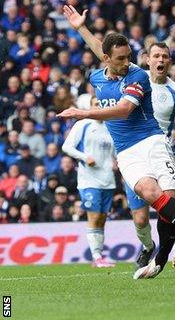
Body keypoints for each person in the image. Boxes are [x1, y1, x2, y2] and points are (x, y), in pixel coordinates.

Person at [58, 6, 175, 280]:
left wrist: (83, 112)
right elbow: (102, 49)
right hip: (127, 152)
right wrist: (80, 28)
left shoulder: (137, 76)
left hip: (153, 141)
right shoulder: (97, 76)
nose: (127, 62)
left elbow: (123, 110)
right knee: (149, 192)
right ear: (107, 59)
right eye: (120, 58)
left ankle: (159, 261)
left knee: (169, 202)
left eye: (129, 57)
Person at [62, 96, 116, 268]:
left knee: (102, 218)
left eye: (101, 104)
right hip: (89, 179)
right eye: (95, 104)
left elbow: (114, 153)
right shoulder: (83, 124)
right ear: (90, 107)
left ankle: (99, 257)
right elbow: (66, 147)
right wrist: (85, 157)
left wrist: (117, 161)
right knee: (93, 216)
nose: (99, 107)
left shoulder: (110, 127)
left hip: (108, 179)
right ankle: (97, 257)